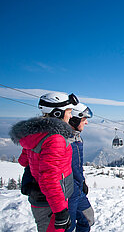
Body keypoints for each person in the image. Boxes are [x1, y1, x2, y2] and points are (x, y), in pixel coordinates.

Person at [9, 92, 79, 232]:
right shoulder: (55, 138)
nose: (71, 116)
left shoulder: (36, 134)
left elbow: (24, 160)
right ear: (58, 113)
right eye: (69, 112)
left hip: (42, 198)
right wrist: (60, 211)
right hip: (51, 202)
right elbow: (50, 177)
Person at [66, 103, 94, 232]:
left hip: (78, 189)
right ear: (74, 119)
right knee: (67, 226)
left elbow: (76, 165)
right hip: (68, 192)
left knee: (88, 219)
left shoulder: (76, 137)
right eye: (84, 120)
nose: (86, 123)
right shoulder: (62, 140)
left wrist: (82, 182)